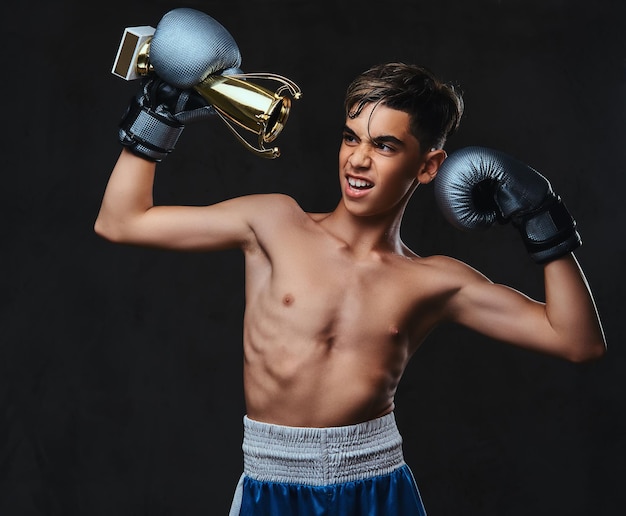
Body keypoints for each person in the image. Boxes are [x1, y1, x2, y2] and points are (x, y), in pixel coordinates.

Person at [94, 62, 606, 515]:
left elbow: (576, 341)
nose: (358, 160)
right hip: (274, 480)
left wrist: (542, 220)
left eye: (384, 145)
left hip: (376, 484)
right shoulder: (273, 222)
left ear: (428, 166)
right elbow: (122, 222)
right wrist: (157, 116)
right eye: (350, 137)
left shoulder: (435, 280)